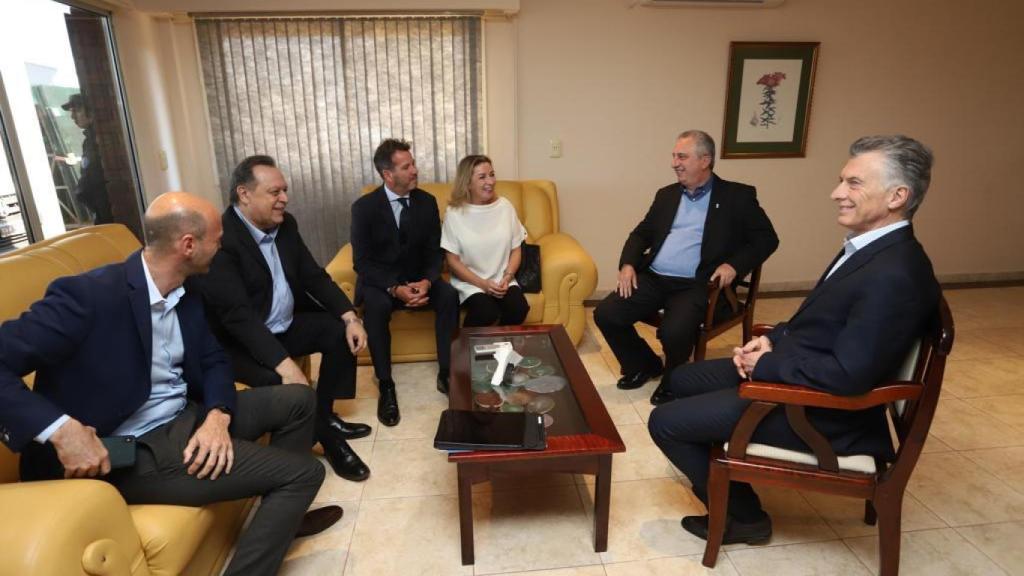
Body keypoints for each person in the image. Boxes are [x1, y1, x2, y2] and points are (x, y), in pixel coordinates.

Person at [0, 192, 342, 576]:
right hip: (130, 446)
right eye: (217, 239)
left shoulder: (187, 289)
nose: (222, 246)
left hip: (184, 416)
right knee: (304, 474)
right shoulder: (89, 296)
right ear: (188, 245)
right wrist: (61, 431)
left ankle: (281, 521)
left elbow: (213, 360)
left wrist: (218, 416)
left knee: (299, 400)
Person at [648, 135, 940, 546]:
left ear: (897, 196)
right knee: (681, 380)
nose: (837, 193)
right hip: (801, 373)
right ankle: (721, 464)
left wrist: (766, 365)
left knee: (665, 422)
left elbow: (848, 375)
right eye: (841, 180)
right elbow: (821, 319)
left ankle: (744, 517)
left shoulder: (895, 274)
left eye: (854, 183)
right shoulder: (872, 250)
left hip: (826, 415)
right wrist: (772, 340)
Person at [197, 155, 371, 482]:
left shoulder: (286, 224)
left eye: (284, 190)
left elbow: (313, 275)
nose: (284, 199)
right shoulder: (222, 239)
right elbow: (238, 317)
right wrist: (286, 366)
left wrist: (350, 317)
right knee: (283, 383)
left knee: (338, 332)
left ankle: (324, 415)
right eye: (274, 192)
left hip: (282, 324)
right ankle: (330, 443)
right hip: (241, 343)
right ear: (244, 194)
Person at [594, 130, 779, 404]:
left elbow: (767, 239)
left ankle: (674, 380)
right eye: (674, 156)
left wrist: (733, 265)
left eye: (682, 157)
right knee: (607, 313)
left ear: (705, 160)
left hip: (696, 284)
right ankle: (644, 365)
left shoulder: (736, 196)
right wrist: (628, 264)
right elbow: (641, 234)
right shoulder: (666, 195)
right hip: (654, 277)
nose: (674, 163)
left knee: (674, 331)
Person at [350, 139, 460, 425]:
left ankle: (447, 373)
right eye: (406, 166)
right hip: (382, 283)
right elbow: (362, 262)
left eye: (413, 164)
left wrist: (427, 281)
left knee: (449, 296)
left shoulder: (426, 202)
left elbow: (435, 251)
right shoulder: (364, 208)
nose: (415, 170)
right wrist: (394, 288)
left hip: (419, 278)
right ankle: (385, 383)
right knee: (375, 306)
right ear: (388, 175)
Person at [441, 154, 530, 327]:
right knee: (486, 312)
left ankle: (501, 344)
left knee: (518, 308)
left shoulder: (505, 207)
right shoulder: (454, 213)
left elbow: (516, 248)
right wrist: (483, 284)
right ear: (467, 183)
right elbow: (452, 261)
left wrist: (507, 277)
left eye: (492, 174)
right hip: (471, 282)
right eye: (482, 177)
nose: (490, 181)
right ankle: (464, 344)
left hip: (502, 279)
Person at [61, 93, 113, 224]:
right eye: (72, 111)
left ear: (91, 111)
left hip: (107, 208)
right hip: (102, 207)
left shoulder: (99, 140)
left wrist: (81, 192)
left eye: (77, 110)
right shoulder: (91, 140)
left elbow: (93, 175)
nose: (73, 116)